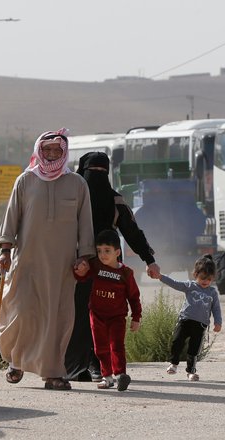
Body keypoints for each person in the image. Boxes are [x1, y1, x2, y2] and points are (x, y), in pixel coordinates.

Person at [0, 128, 94, 391]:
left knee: (57, 319)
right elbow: (11, 219)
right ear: (39, 150)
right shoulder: (25, 181)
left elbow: (85, 224)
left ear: (64, 152)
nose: (51, 154)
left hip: (62, 266)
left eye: (57, 150)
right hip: (27, 261)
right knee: (22, 313)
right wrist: (5, 251)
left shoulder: (77, 183)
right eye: (47, 149)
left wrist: (84, 257)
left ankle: (53, 373)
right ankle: (16, 361)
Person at [65, 151, 160, 382]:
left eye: (101, 172)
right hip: (73, 269)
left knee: (101, 318)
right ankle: (76, 366)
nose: (96, 177)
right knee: (74, 318)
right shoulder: (69, 198)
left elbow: (133, 232)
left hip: (103, 271)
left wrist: (149, 259)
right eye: (91, 172)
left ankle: (98, 366)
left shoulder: (115, 201)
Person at [73, 229, 142, 391]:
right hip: (96, 316)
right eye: (99, 251)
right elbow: (81, 278)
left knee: (116, 346)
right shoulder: (95, 266)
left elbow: (134, 297)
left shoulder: (125, 273)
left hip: (117, 317)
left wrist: (136, 317)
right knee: (100, 348)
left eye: (107, 251)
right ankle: (107, 377)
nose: (102, 255)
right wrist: (79, 271)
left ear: (117, 252)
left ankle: (121, 375)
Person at [152, 254, 222, 380]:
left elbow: (216, 308)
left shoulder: (212, 293)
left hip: (200, 325)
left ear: (213, 278)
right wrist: (160, 276)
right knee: (177, 341)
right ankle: (173, 364)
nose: (205, 281)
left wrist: (218, 322)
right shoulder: (190, 286)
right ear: (195, 274)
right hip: (185, 321)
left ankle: (191, 372)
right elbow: (174, 283)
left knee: (194, 350)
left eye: (209, 279)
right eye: (202, 278)